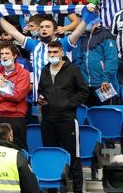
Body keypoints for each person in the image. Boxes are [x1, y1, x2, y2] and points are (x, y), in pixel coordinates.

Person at [37, 40, 89, 193]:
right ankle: (53, 189)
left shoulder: (72, 69)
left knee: (73, 156)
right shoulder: (45, 70)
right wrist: (41, 98)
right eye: (50, 52)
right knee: (51, 154)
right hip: (48, 119)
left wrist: (68, 104)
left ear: (61, 52)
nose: (52, 55)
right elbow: (41, 90)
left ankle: (77, 189)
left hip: (67, 119)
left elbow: (84, 91)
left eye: (55, 52)